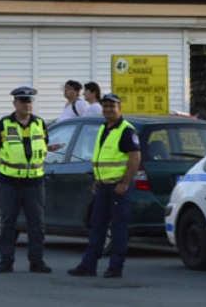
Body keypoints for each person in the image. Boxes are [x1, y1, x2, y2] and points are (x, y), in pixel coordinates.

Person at [68, 92, 141, 278]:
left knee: (117, 228)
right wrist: (97, 179)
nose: (108, 109)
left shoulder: (126, 130)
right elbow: (102, 158)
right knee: (97, 226)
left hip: (118, 187)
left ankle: (115, 267)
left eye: (112, 106)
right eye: (105, 106)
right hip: (103, 186)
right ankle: (88, 266)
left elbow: (135, 158)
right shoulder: (104, 128)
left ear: (119, 108)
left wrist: (125, 183)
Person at [0, 86, 52, 274]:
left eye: (29, 101)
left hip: (34, 181)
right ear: (14, 103)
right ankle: (6, 261)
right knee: (8, 222)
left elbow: (44, 147)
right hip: (10, 181)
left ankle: (37, 261)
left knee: (36, 223)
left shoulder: (39, 123)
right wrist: (2, 166)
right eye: (23, 101)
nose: (27, 105)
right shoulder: (3, 124)